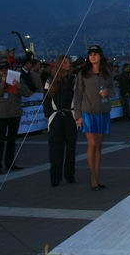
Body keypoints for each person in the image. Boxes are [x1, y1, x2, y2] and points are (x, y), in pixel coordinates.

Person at [73, 45, 114, 191]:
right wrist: (78, 115)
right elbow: (77, 95)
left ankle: (97, 176)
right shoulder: (83, 73)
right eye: (91, 54)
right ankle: (92, 178)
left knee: (99, 145)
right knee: (92, 144)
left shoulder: (106, 72)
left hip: (102, 112)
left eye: (95, 54)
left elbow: (113, 89)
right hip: (88, 112)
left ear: (100, 56)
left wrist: (107, 92)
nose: (93, 56)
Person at [43, 55, 77, 187]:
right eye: (66, 62)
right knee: (55, 148)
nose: (69, 64)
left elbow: (77, 98)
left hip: (70, 115)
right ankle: (55, 177)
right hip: (56, 116)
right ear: (60, 64)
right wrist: (49, 113)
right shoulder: (50, 80)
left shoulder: (73, 79)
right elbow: (46, 100)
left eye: (69, 62)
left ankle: (69, 174)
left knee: (71, 148)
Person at [0, 61, 33, 173]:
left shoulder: (16, 78)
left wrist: (19, 87)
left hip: (15, 113)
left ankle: (10, 163)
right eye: (2, 70)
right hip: (1, 114)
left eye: (6, 69)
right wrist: (3, 82)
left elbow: (27, 93)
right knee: (0, 140)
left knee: (12, 140)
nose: (4, 71)